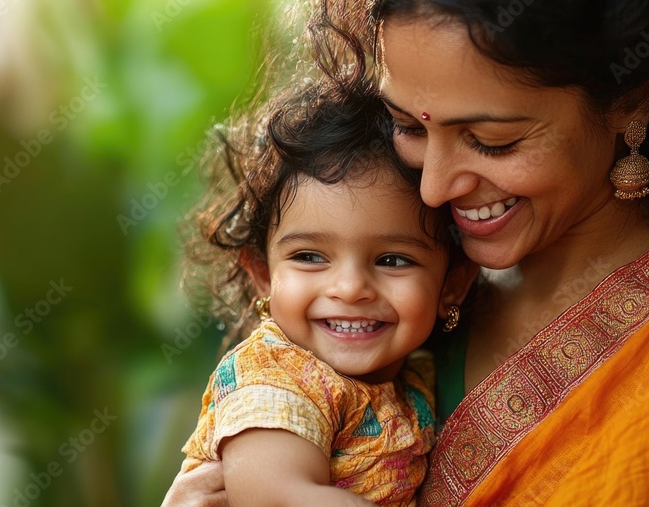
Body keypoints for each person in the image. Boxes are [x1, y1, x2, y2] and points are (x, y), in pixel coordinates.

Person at [162, 0, 649, 504]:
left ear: (630, 101)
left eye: (491, 140)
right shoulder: (385, 318)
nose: (432, 185)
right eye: (410, 126)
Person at [175, 77, 474, 506]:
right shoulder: (278, 375)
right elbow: (279, 497)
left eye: (392, 260)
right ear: (263, 273)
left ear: (453, 286)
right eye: (310, 257)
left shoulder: (415, 376)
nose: (350, 289)